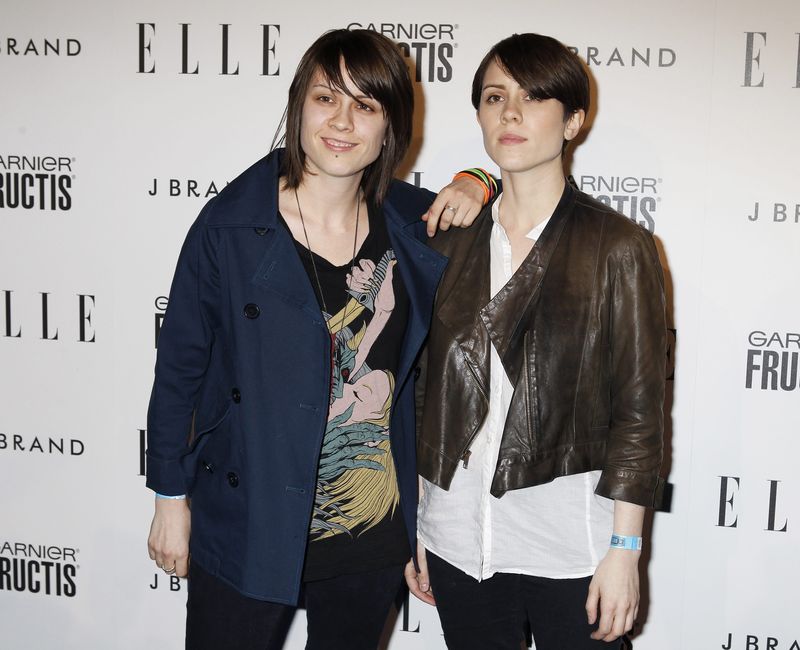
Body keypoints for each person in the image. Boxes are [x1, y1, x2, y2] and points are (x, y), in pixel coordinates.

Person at [145, 28, 493, 650]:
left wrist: (477, 179)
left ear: (390, 127)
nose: (342, 121)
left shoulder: (415, 223)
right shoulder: (231, 225)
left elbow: (519, 202)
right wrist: (169, 499)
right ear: (297, 105)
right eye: (326, 97)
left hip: (369, 523)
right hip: (249, 514)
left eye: (366, 106)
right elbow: (179, 370)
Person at [406, 33, 666, 649]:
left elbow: (639, 414)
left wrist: (624, 551)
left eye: (534, 97)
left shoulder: (618, 247)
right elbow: (424, 395)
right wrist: (419, 521)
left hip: (570, 549)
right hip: (457, 542)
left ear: (573, 120)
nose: (511, 113)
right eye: (495, 97)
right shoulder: (445, 242)